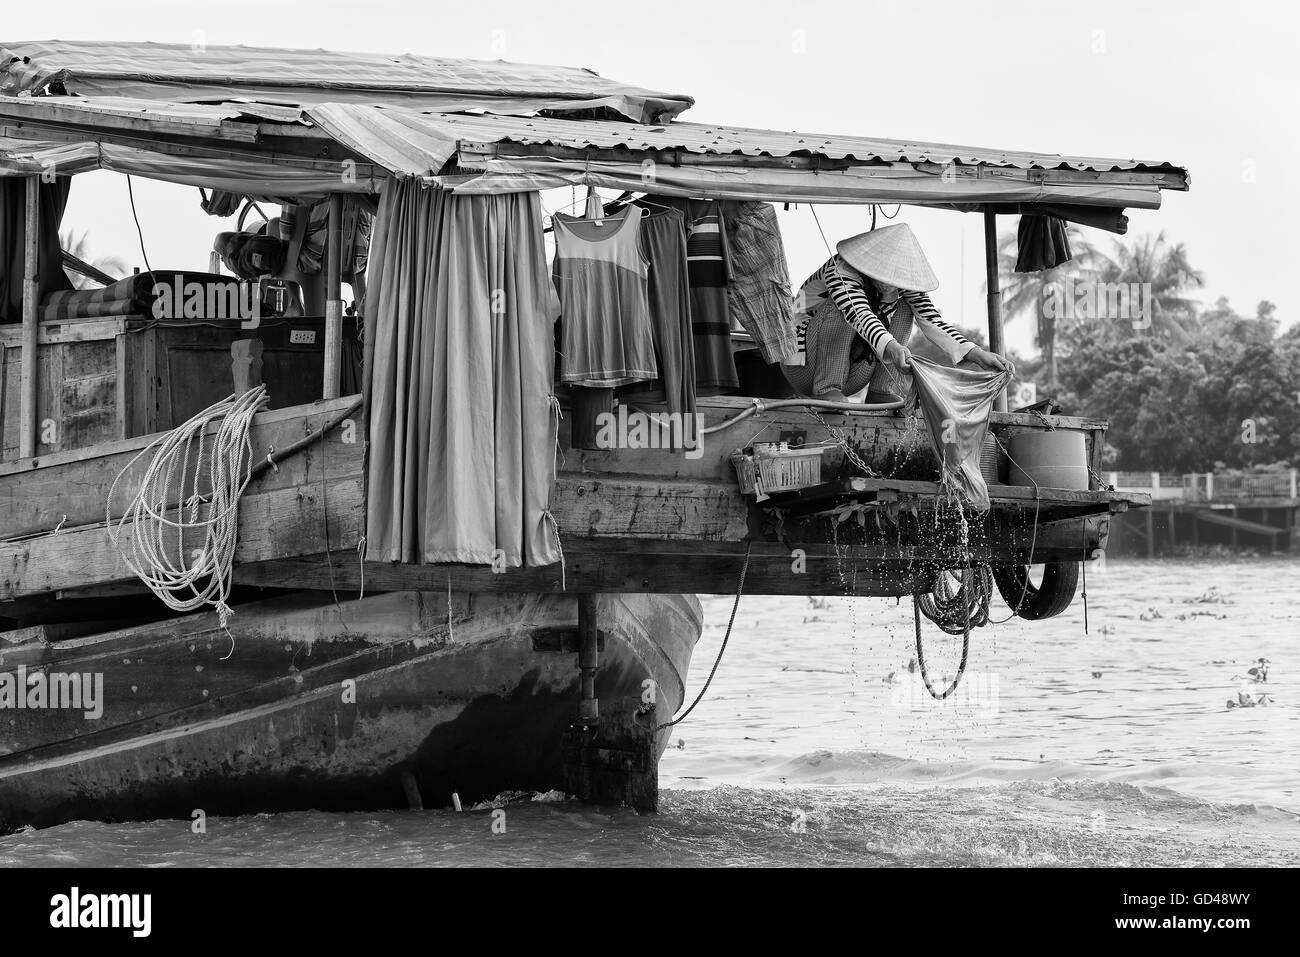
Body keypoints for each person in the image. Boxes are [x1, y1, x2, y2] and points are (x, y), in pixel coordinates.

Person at [781, 223, 1013, 402]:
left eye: (896, 280)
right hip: (804, 366)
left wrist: (977, 354)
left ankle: (882, 390)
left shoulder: (903, 287)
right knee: (839, 306)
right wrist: (893, 348)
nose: (890, 286)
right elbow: (858, 313)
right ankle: (827, 389)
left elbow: (931, 319)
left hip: (852, 374)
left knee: (904, 307)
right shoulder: (840, 270)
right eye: (885, 277)